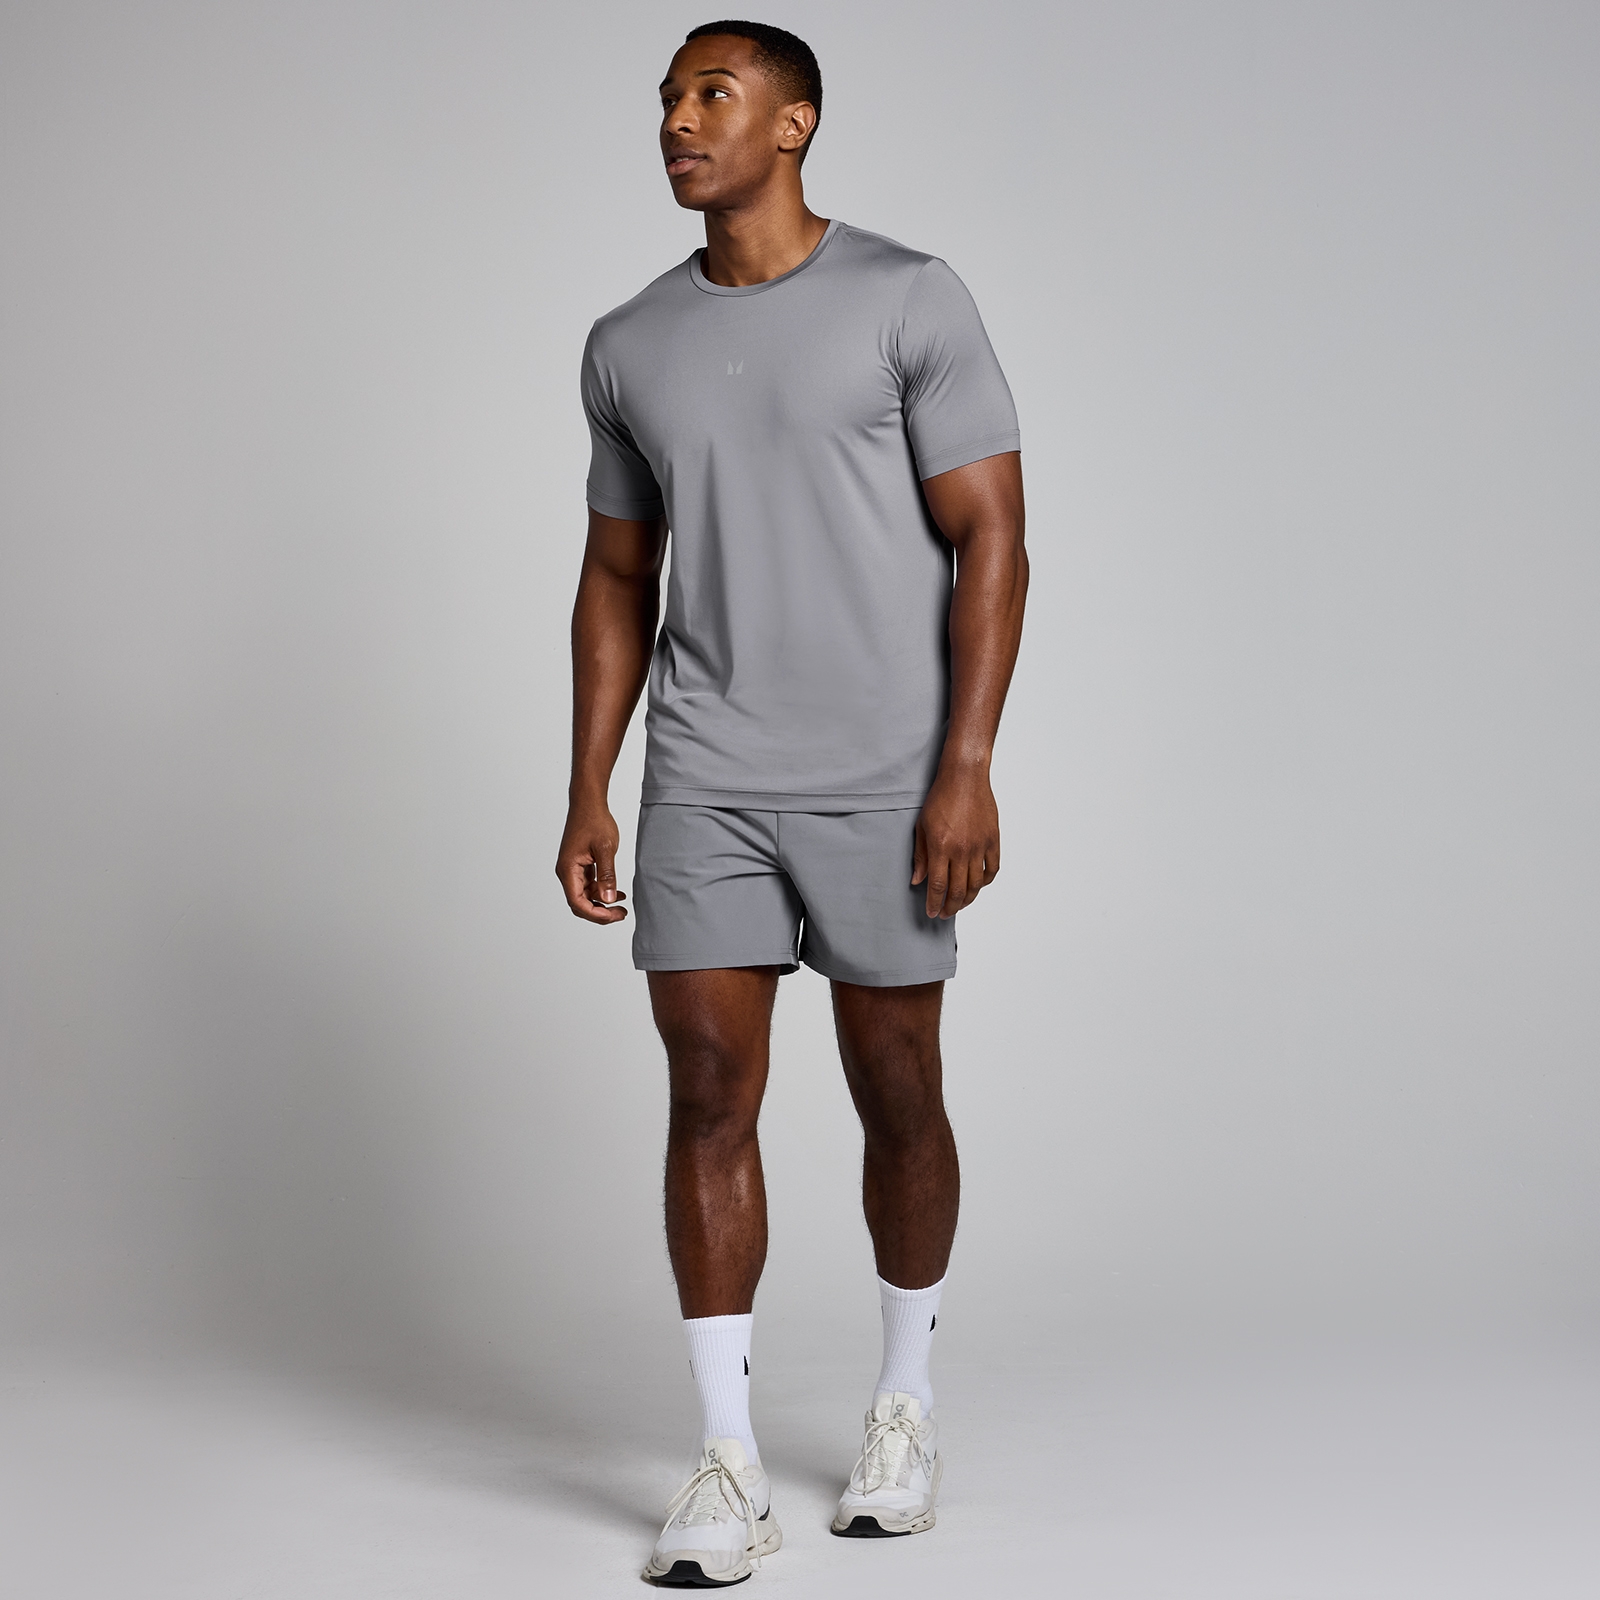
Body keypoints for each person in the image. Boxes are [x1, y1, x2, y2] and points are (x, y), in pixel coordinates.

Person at [556, 19, 1027, 1587]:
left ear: (795, 122)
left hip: (889, 778)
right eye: (668, 100)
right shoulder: (629, 343)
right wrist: (590, 786)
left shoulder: (908, 298)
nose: (679, 122)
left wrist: (966, 765)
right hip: (707, 774)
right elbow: (616, 574)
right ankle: (725, 1460)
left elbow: (995, 538)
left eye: (715, 95)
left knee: (898, 1088)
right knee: (706, 1087)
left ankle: (904, 1410)